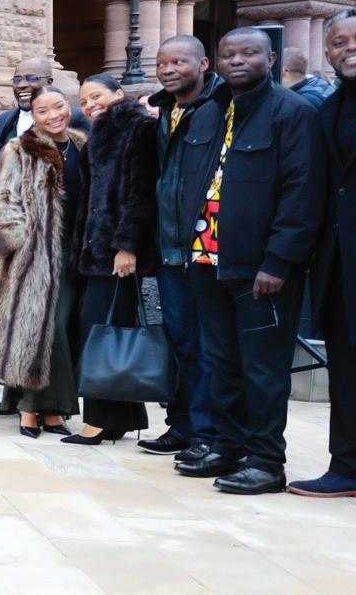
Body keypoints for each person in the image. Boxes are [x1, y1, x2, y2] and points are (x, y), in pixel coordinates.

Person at [172, 28, 323, 494]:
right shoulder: (207, 113)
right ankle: (228, 445)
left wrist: (279, 261)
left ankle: (266, 461)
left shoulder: (292, 112)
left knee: (262, 368)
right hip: (205, 259)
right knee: (222, 361)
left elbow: (302, 192)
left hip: (261, 269)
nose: (237, 60)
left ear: (270, 58)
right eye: (228, 54)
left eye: (249, 53)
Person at [289, 9, 356, 515]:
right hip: (341, 263)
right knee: (350, 373)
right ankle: (351, 468)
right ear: (326, 51)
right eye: (339, 41)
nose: (351, 47)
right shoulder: (328, 108)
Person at [0, 87, 86, 438]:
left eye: (58, 106)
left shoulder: (82, 146)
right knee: (41, 329)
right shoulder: (19, 149)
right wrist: (23, 244)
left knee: (60, 330)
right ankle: (30, 407)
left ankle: (53, 410)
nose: (53, 115)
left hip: (73, 253)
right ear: (34, 115)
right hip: (33, 257)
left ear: (68, 106)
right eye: (43, 111)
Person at [139, 36, 224, 459]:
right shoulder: (162, 112)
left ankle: (209, 432)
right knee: (181, 342)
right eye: (161, 63)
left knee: (210, 347)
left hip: (207, 248)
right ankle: (183, 425)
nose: (168, 70)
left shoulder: (221, 107)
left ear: (203, 64)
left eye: (178, 62)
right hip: (169, 248)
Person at [63, 75, 159, 444]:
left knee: (101, 331)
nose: (90, 105)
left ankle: (99, 421)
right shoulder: (99, 134)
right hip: (96, 251)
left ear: (118, 94)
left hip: (115, 252)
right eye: (84, 101)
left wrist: (127, 246)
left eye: (97, 96)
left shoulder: (137, 129)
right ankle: (120, 417)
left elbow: (141, 191)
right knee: (110, 331)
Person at [0, 56, 89, 147]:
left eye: (31, 78)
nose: (21, 85)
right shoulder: (3, 120)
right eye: (16, 80)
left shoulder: (75, 117)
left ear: (49, 82)